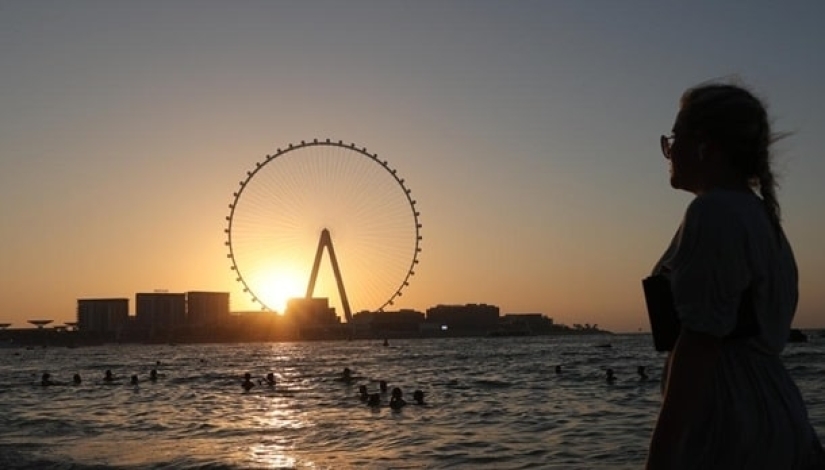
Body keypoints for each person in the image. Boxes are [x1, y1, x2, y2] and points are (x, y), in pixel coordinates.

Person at [646, 82, 825, 469]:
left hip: (731, 424)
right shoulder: (761, 218)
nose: (669, 151)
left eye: (674, 138)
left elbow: (700, 344)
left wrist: (659, 458)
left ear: (704, 145)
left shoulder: (714, 213)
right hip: (772, 412)